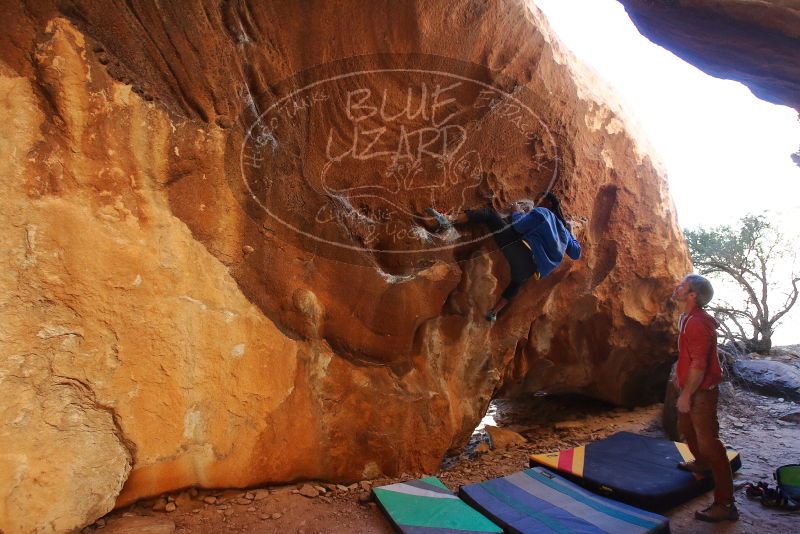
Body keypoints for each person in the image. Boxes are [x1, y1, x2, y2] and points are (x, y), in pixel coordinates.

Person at [426, 192, 581, 321]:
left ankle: (448, 220)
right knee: (515, 284)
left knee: (489, 214)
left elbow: (519, 226)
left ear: (548, 203)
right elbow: (576, 253)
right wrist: (571, 230)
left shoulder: (544, 212)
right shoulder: (566, 234)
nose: (535, 203)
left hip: (522, 253)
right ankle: (493, 312)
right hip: (531, 270)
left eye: (538, 200)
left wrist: (516, 211)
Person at [671, 274, 738, 522]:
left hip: (701, 391)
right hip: (690, 386)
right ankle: (701, 463)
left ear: (693, 296)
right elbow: (688, 355)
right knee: (685, 427)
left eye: (682, 287)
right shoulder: (686, 318)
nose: (676, 288)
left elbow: (700, 364)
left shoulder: (698, 323)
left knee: (710, 443)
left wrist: (686, 395)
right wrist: (680, 375)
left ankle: (726, 504)